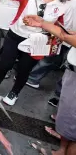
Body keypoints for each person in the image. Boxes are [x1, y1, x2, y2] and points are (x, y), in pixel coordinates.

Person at [24, 15, 76, 155]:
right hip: (72, 70)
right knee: (68, 117)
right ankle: (62, 148)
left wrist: (46, 26)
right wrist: (43, 23)